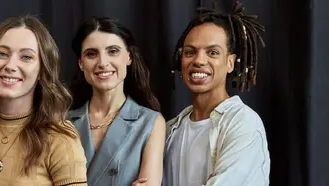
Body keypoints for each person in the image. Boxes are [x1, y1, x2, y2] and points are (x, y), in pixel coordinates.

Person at [0, 15, 88, 186]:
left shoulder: (60, 138)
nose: (10, 65)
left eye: (26, 57)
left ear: (42, 71)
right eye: (2, 54)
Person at [164, 1, 270, 186]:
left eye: (212, 52)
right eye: (190, 52)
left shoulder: (244, 124)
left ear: (230, 62)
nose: (199, 60)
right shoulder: (170, 130)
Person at [66, 17, 166, 186]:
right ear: (81, 63)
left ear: (129, 57)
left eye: (112, 51)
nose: (103, 63)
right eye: (91, 54)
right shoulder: (64, 121)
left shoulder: (151, 122)